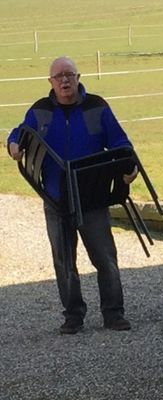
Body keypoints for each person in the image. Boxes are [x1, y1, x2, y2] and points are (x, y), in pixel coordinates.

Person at [7, 56, 138, 334]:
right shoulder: (39, 110)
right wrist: (13, 144)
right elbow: (19, 133)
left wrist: (129, 167)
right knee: (64, 261)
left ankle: (114, 314)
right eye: (58, 76)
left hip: (91, 195)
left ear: (78, 77)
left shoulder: (97, 106)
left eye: (69, 74)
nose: (64, 80)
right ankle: (73, 316)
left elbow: (120, 142)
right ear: (50, 82)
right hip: (55, 198)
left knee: (105, 258)